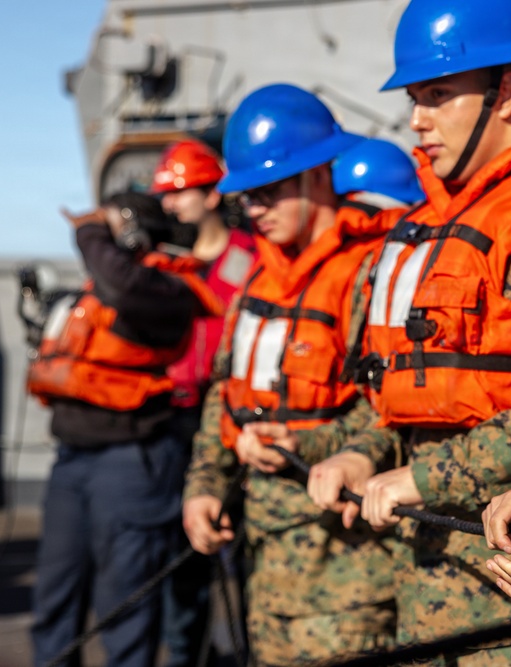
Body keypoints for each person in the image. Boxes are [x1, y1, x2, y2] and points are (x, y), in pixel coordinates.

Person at [302, 0, 511, 663]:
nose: (416, 121)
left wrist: (429, 477)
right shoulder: (430, 225)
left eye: (437, 95)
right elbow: (413, 387)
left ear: (509, 91)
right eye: (413, 98)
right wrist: (366, 453)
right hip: (429, 572)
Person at [180, 85, 418, 666]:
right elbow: (225, 395)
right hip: (264, 570)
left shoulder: (371, 276)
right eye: (246, 197)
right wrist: (205, 486)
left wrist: (305, 445)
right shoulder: (256, 283)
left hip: (347, 582)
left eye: (270, 191)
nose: (256, 209)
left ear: (317, 177)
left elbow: (396, 407)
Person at [27, 192, 224, 667]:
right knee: (55, 599)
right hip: (73, 460)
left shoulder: (166, 291)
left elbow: (124, 286)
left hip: (132, 464)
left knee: (125, 608)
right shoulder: (108, 287)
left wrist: (90, 230)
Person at [150, 138, 256, 667]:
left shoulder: (251, 259)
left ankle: (247, 650)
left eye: (180, 193)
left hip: (235, 419)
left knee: (242, 554)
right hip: (175, 420)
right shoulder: (166, 266)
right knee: (183, 559)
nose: (170, 205)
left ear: (213, 195)